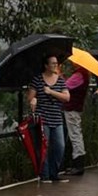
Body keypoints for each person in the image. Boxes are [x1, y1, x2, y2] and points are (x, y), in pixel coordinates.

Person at [26, 54, 70, 183]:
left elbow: (67, 97)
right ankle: (44, 175)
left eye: (56, 63)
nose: (55, 65)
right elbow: (30, 97)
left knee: (60, 146)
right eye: (53, 63)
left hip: (56, 117)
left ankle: (54, 172)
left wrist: (51, 92)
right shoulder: (38, 79)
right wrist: (33, 100)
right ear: (46, 65)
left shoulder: (60, 80)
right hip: (43, 118)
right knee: (44, 146)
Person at [62, 65, 90, 177]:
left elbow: (65, 86)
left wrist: (60, 78)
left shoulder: (79, 74)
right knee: (74, 134)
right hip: (75, 108)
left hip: (72, 108)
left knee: (75, 134)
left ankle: (78, 164)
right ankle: (75, 163)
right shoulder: (83, 74)